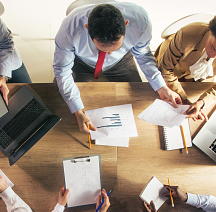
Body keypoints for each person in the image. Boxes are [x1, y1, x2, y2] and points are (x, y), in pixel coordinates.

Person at [53, 3, 181, 133]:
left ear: (126, 24)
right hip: (81, 62)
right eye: (102, 48)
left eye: (115, 47)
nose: (109, 54)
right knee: (60, 107)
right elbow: (62, 72)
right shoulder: (68, 31)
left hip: (121, 61)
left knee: (138, 100)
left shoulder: (141, 22)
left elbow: (143, 55)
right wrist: (78, 111)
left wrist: (162, 87)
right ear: (86, 28)